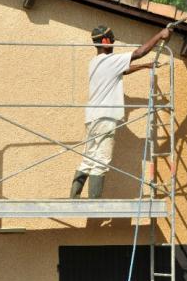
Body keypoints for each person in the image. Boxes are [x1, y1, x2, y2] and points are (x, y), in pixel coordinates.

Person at [69, 24, 171, 199]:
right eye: (113, 40)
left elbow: (123, 70)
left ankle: (74, 197)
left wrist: (145, 66)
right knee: (101, 160)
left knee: (89, 158)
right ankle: (93, 203)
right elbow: (139, 52)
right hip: (105, 118)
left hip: (93, 117)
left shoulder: (95, 62)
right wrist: (160, 35)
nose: (114, 43)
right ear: (106, 41)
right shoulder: (109, 60)